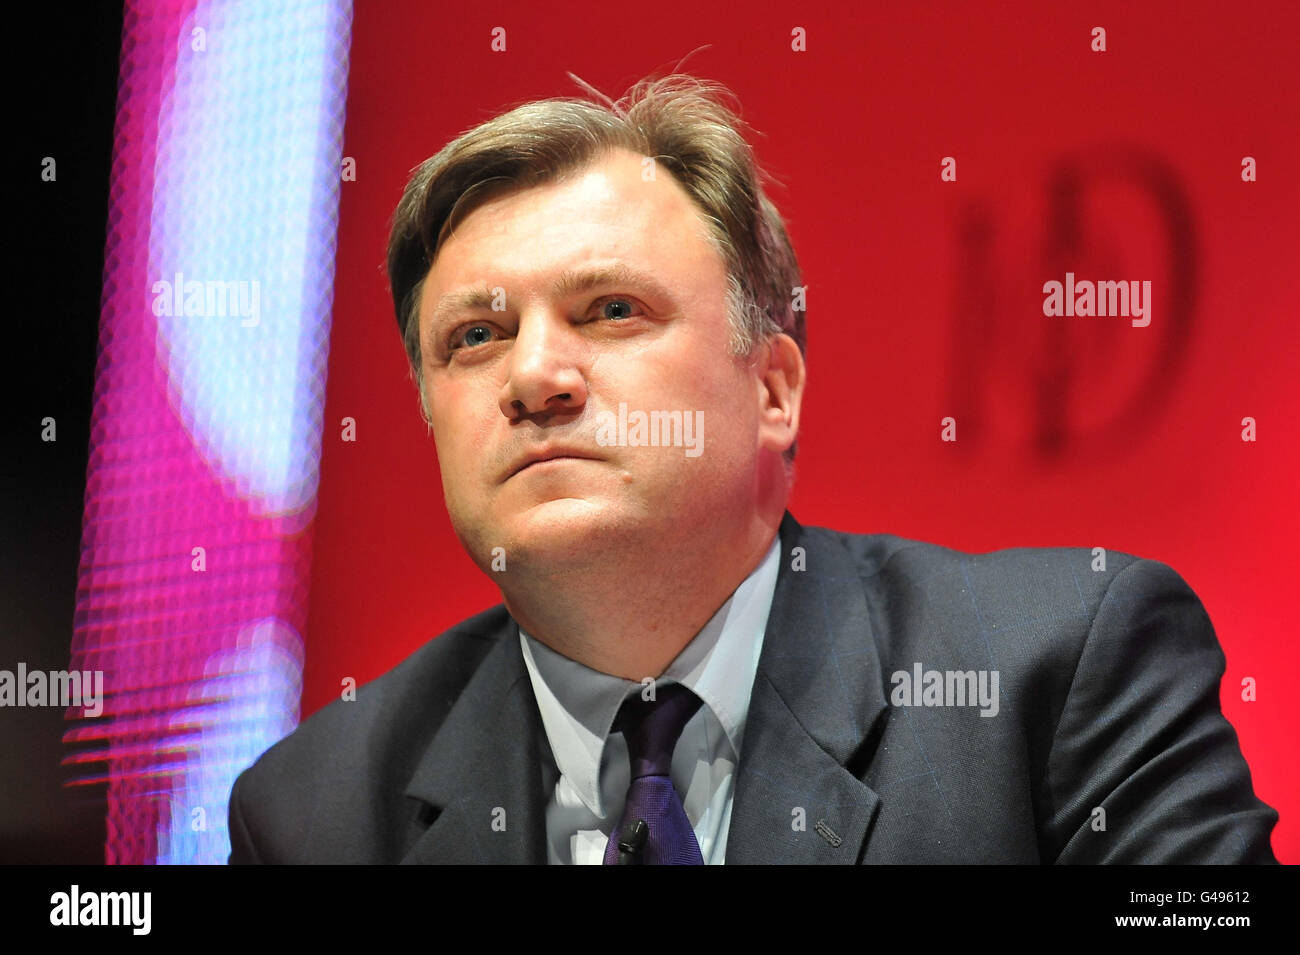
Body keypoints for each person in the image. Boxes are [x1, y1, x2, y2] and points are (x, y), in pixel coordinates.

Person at [227, 73, 1278, 864]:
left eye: (610, 311)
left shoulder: (1061, 674)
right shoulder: (316, 812)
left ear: (773, 388)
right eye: (473, 338)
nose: (534, 374)